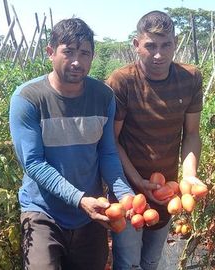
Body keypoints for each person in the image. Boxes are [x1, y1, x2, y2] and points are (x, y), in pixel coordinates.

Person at [9, 18, 134, 270]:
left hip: (91, 215)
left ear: (92, 56)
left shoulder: (103, 96)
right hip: (43, 212)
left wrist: (124, 193)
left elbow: (107, 152)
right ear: (50, 52)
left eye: (84, 53)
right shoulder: (28, 98)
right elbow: (34, 164)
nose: (77, 61)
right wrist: (80, 199)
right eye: (68, 52)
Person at [106, 10, 205, 270]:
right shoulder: (122, 82)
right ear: (137, 45)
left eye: (166, 45)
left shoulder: (190, 78)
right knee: (128, 263)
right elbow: (112, 141)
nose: (159, 54)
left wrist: (190, 174)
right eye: (150, 46)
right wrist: (137, 181)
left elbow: (192, 133)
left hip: (165, 189)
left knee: (151, 260)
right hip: (128, 188)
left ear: (175, 44)